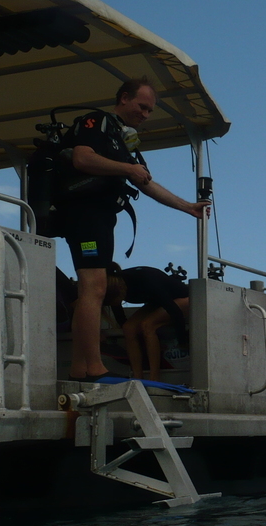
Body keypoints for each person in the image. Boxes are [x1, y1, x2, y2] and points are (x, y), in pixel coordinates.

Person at [57, 76, 208, 382]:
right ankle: (94, 367)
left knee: (93, 288)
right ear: (124, 98)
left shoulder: (120, 139)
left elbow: (146, 183)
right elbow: (82, 158)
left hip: (101, 218)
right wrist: (128, 168)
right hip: (84, 215)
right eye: (142, 106)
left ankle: (78, 367)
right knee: (94, 287)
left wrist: (187, 207)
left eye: (150, 111)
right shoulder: (96, 121)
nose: (145, 115)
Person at [105, 265, 190, 382]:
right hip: (157, 302)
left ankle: (154, 378)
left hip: (183, 298)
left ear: (121, 288)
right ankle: (137, 377)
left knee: (147, 325)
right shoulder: (112, 288)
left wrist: (182, 340)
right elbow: (121, 320)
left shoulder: (146, 281)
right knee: (128, 328)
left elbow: (174, 311)